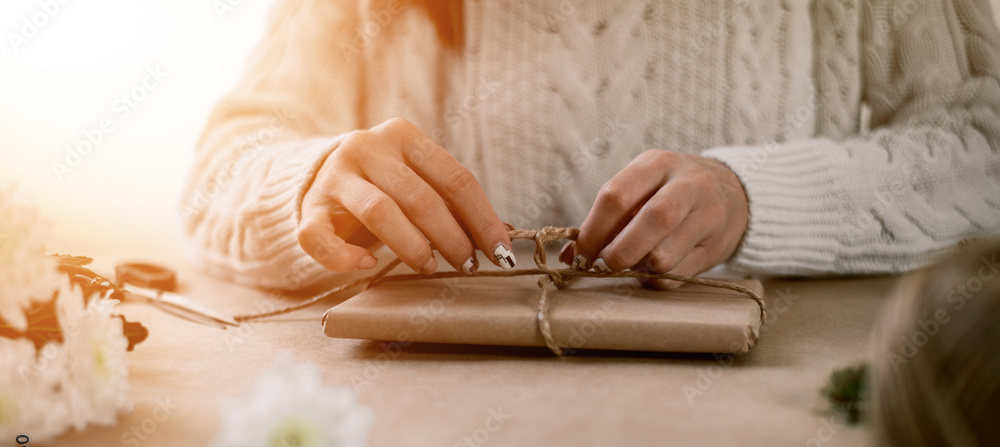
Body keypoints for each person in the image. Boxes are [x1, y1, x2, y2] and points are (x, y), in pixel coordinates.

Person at [180, 0, 1000, 291]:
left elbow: (984, 142)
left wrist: (757, 197)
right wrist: (310, 182)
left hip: (775, 444)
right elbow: (223, 168)